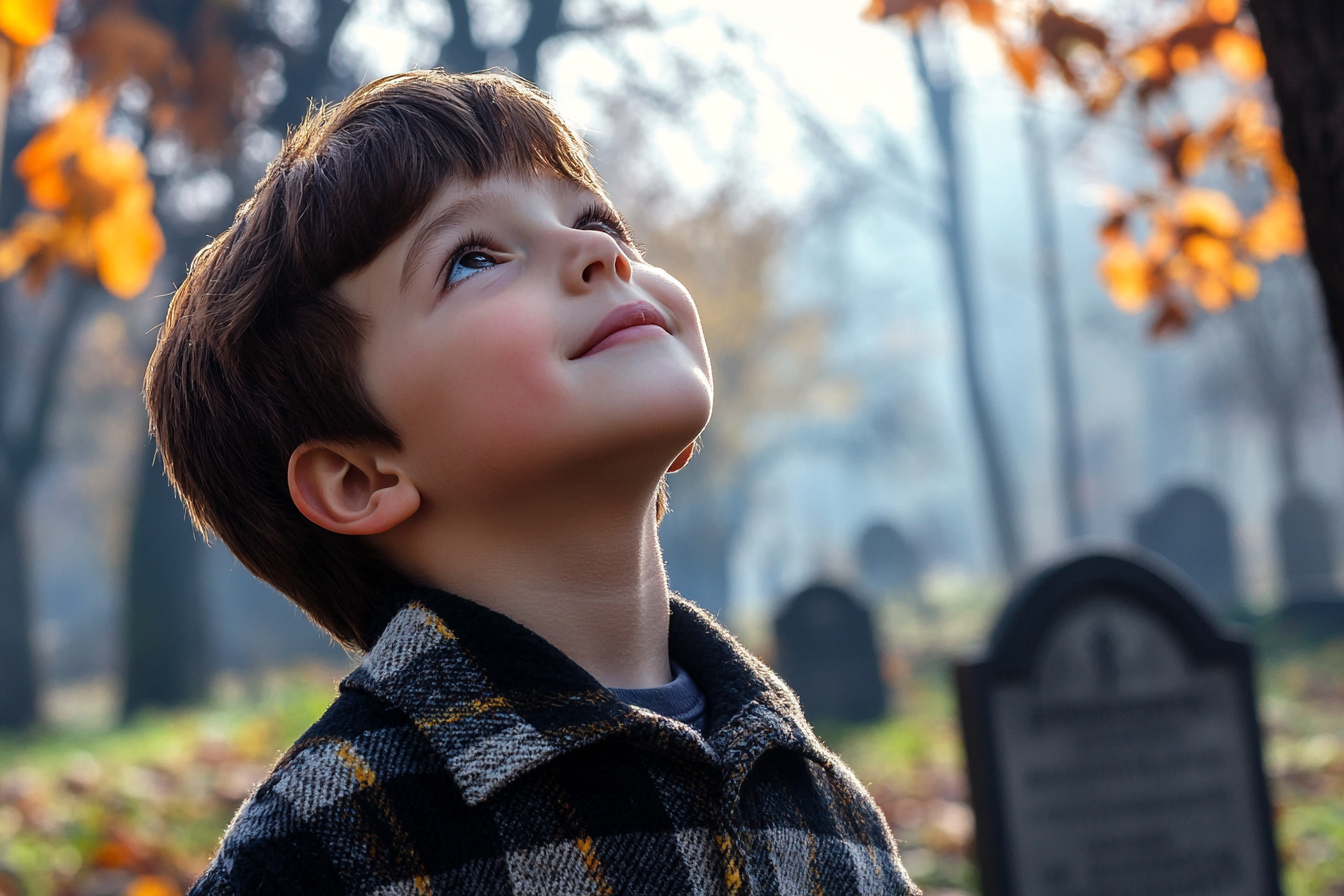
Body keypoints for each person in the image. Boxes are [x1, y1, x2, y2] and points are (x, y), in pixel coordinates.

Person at [147, 69, 917, 896]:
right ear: (360, 476)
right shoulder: (324, 846)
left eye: (595, 220)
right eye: (473, 259)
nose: (599, 252)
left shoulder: (817, 795)